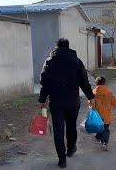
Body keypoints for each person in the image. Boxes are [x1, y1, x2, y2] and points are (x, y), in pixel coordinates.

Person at [39, 38, 95, 168]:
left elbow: (45, 82)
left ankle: (62, 159)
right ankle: (71, 148)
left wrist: (42, 100)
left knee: (58, 130)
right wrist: (90, 96)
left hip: (56, 102)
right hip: (72, 101)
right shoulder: (76, 61)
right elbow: (84, 82)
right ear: (69, 47)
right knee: (71, 126)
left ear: (56, 48)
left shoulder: (49, 61)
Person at [92, 77, 116, 151]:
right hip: (106, 115)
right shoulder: (108, 93)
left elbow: (90, 102)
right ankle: (104, 142)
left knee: (98, 126)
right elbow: (115, 102)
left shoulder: (93, 92)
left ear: (96, 84)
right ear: (105, 83)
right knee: (105, 129)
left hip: (97, 115)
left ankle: (98, 137)